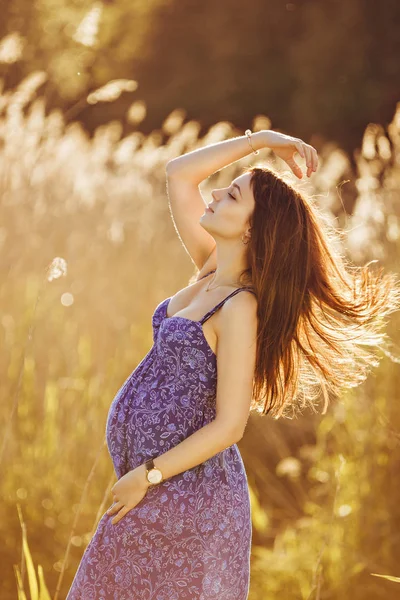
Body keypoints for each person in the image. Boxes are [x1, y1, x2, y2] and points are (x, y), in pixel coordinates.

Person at [66, 129, 399, 599]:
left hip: (188, 497)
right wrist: (261, 140)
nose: (217, 191)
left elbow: (230, 426)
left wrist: (149, 474)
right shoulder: (209, 272)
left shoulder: (240, 307)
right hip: (157, 488)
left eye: (233, 193)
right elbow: (178, 173)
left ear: (250, 229)